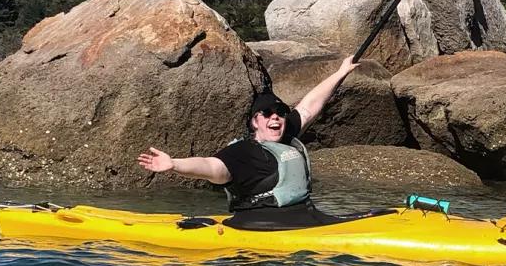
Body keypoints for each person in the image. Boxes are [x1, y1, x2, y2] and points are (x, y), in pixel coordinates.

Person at [137, 56, 361, 230]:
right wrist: (175, 164)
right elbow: (212, 167)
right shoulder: (244, 152)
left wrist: (341, 72)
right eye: (267, 114)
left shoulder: (284, 134)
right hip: (262, 226)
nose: (275, 117)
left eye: (280, 113)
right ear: (255, 121)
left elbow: (309, 107)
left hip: (306, 218)